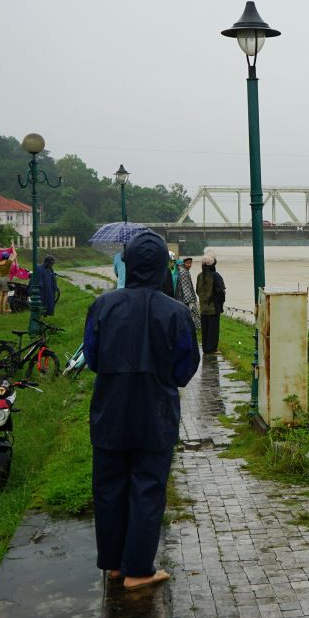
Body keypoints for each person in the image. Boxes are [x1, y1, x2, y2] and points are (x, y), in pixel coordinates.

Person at [84, 230, 200, 590]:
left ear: (129, 264)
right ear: (162, 267)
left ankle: (114, 564)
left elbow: (92, 357)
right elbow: (186, 367)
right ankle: (138, 570)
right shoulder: (177, 312)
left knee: (109, 488)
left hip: (110, 412)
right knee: (147, 488)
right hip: (156, 413)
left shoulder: (102, 306)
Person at [195, 254, 225, 354]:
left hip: (203, 307)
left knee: (205, 329)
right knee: (213, 329)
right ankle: (212, 349)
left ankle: (205, 348)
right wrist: (220, 301)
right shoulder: (215, 276)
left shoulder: (199, 276)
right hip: (214, 307)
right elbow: (221, 291)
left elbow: (197, 290)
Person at [173, 256, 201, 330]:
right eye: (188, 263)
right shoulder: (183, 272)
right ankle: (193, 328)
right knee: (193, 313)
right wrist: (190, 301)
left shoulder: (184, 270)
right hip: (185, 299)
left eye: (190, 263)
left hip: (182, 298)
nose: (189, 265)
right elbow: (185, 287)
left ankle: (192, 327)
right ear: (184, 263)